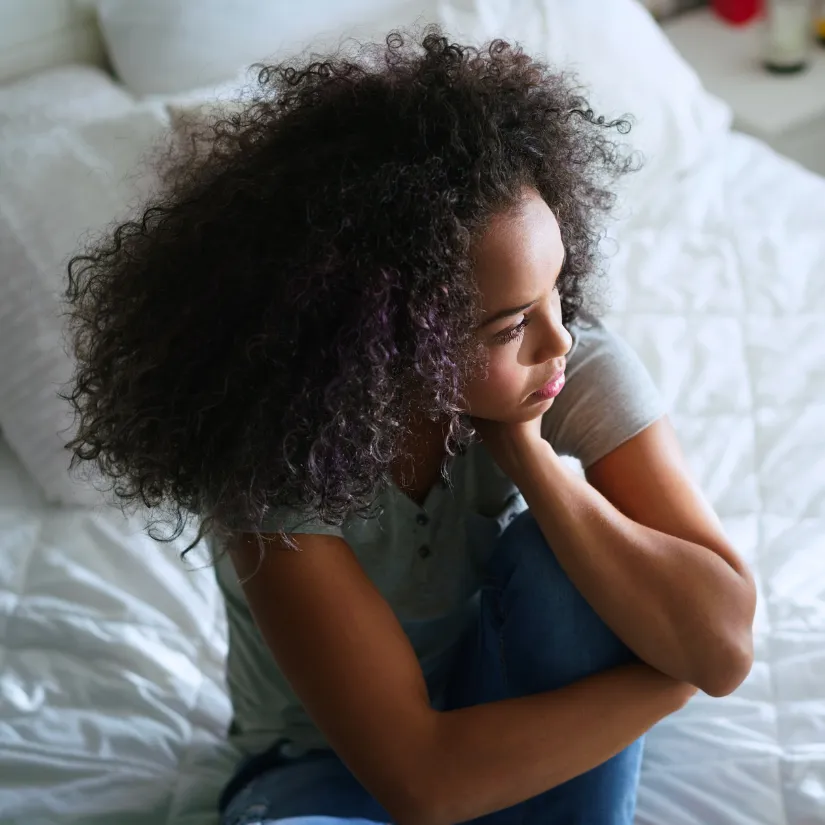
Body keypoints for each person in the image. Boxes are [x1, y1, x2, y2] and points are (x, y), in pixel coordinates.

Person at [63, 29, 757, 825]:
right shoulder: (270, 465)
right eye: (507, 327)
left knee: (565, 560)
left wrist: (528, 457)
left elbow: (724, 643)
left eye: (556, 288)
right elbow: (422, 783)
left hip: (504, 703)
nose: (557, 338)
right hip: (319, 768)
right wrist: (666, 681)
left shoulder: (564, 367)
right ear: (390, 344)